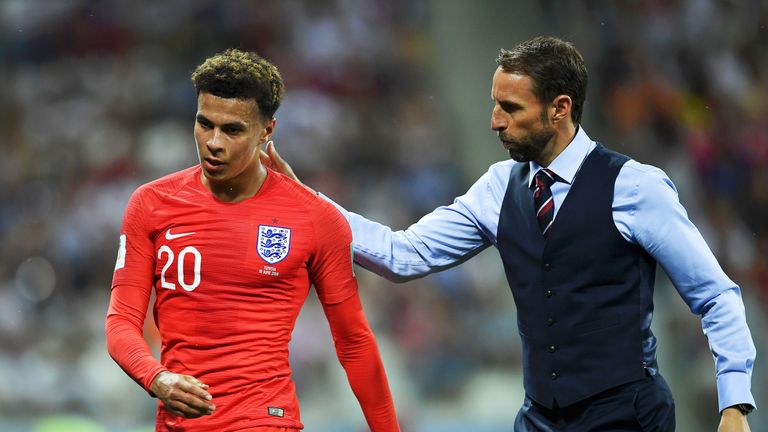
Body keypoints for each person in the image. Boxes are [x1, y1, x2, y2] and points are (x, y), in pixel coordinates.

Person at [262, 36, 756, 431]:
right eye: (495, 104)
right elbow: (402, 253)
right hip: (540, 416)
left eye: (511, 108)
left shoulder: (635, 186)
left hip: (625, 416)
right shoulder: (499, 187)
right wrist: (306, 201)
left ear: (560, 108)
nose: (494, 121)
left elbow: (715, 295)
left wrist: (733, 404)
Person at [105, 48, 400, 432]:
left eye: (232, 130)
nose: (213, 142)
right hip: (177, 423)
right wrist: (157, 378)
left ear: (267, 130)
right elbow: (120, 322)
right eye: (204, 123)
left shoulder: (316, 218)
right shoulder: (151, 204)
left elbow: (354, 342)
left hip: (264, 419)